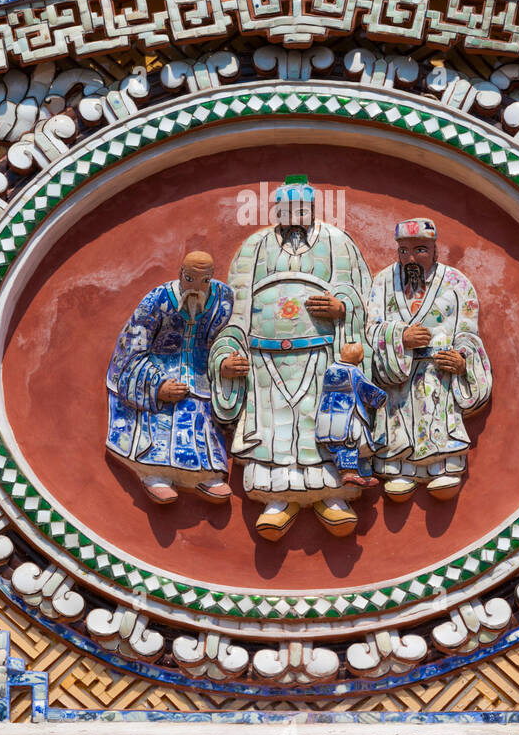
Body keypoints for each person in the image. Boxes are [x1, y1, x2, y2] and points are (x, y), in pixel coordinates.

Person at [210, 176, 371, 541]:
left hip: (321, 357)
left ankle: (332, 496)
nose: (294, 216)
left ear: (312, 210)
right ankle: (277, 499)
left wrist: (341, 308)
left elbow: (364, 299)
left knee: (327, 425)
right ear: (276, 211)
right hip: (266, 360)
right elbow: (234, 310)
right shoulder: (254, 247)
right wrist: (227, 356)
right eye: (286, 209)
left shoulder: (338, 244)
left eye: (302, 209)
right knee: (274, 432)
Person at [366, 218, 492, 501]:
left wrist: (462, 361)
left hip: (439, 374)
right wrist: (399, 337)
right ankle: (398, 469)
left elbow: (468, 332)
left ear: (435, 250)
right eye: (404, 251)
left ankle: (442, 466)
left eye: (420, 250)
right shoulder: (383, 282)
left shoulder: (457, 284)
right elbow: (370, 328)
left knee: (439, 418)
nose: (411, 258)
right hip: (398, 374)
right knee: (398, 423)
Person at [106, 250, 236, 504]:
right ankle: (154, 473)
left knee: (201, 420)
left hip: (201, 374)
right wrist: (156, 384)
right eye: (189, 278)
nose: (196, 287)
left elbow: (228, 336)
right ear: (180, 274)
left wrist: (225, 361)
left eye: (204, 281)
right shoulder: (158, 299)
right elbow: (132, 342)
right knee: (162, 417)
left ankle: (206, 475)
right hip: (159, 369)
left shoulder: (223, 300)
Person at [314, 342, 386, 490]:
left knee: (335, 445)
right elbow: (367, 390)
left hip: (327, 415)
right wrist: (381, 399)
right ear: (360, 358)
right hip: (347, 415)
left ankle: (356, 473)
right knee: (350, 442)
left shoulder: (330, 370)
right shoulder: (353, 372)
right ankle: (349, 474)